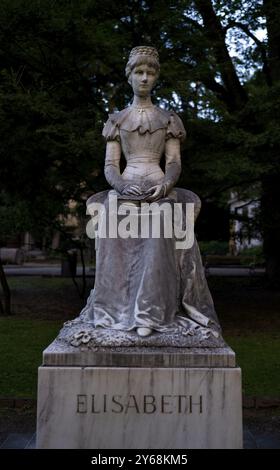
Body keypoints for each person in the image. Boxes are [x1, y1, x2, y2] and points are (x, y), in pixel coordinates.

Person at [80, 46, 221, 340]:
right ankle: (114, 310)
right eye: (139, 72)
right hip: (125, 188)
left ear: (156, 77)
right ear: (129, 76)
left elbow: (173, 163)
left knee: (159, 230)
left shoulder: (168, 119)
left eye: (150, 73)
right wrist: (119, 186)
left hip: (159, 190)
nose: (144, 78)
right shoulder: (117, 120)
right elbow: (109, 165)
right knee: (112, 228)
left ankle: (150, 313)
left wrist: (167, 185)